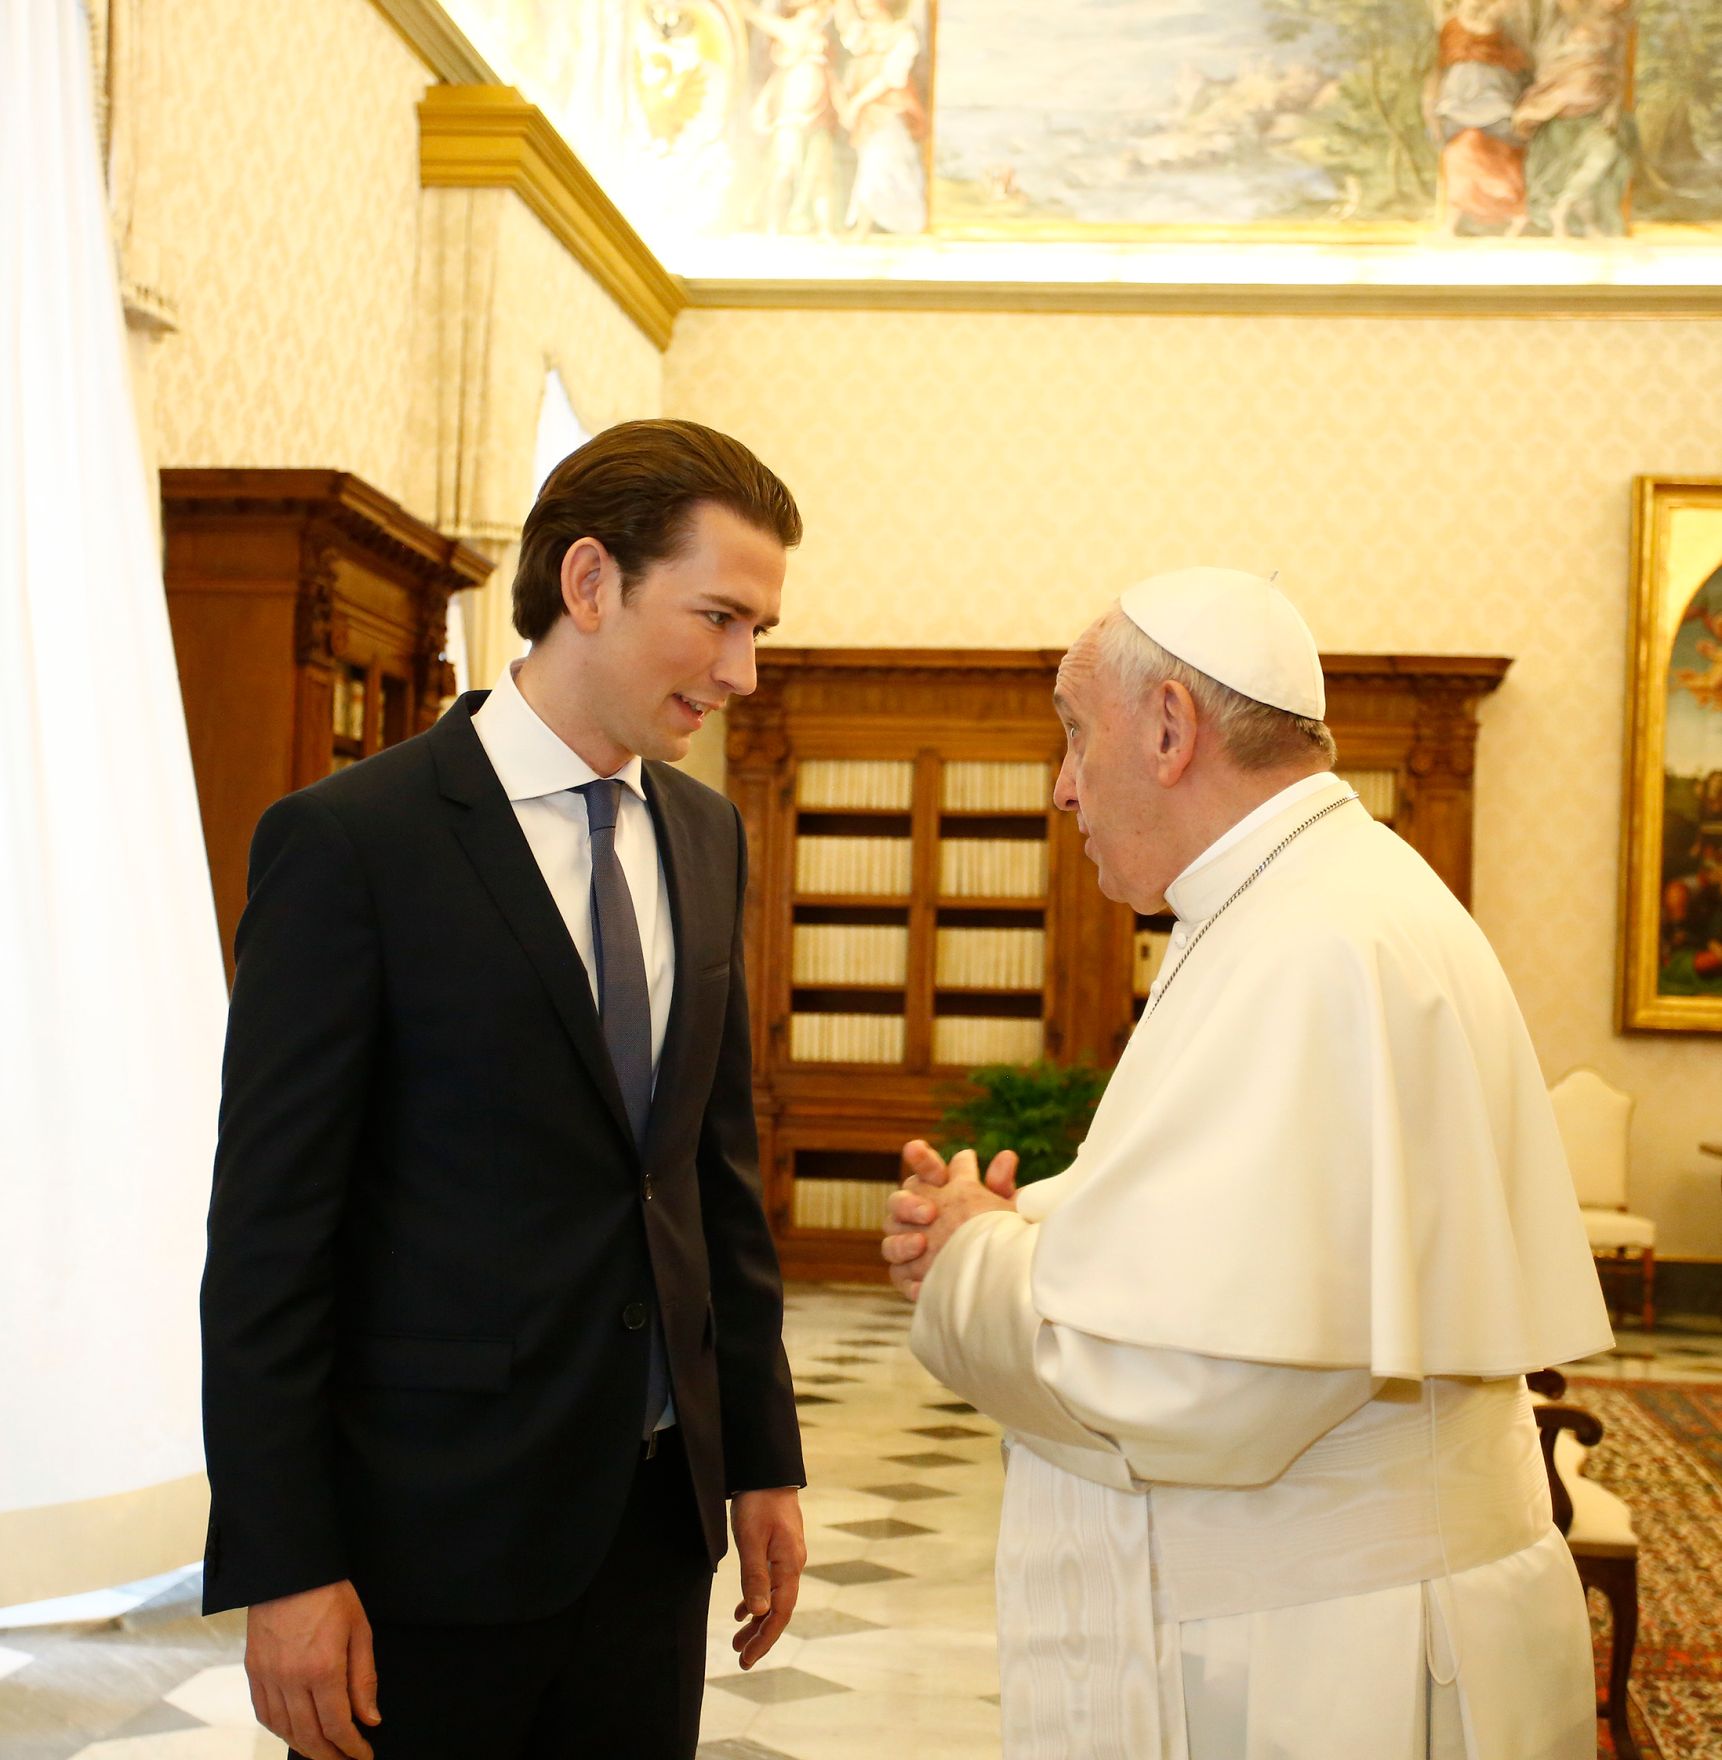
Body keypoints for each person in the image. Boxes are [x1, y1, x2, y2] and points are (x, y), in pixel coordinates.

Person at [883, 567, 1614, 1760]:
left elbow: (1193, 1381)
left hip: (1332, 1656)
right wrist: (1018, 1223)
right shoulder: (1306, 899)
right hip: (1338, 1612)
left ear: (1170, 726)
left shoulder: (1313, 938)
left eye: (1075, 731)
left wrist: (974, 1261)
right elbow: (1251, 1221)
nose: (1061, 783)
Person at [202, 419, 808, 1760]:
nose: (741, 671)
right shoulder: (351, 845)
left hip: (656, 1539)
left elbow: (709, 1182)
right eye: (716, 618)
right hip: (425, 1547)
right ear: (589, 583)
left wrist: (760, 1456)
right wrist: (285, 1566)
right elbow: (268, 1241)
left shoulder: (704, 837)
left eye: (755, 628)